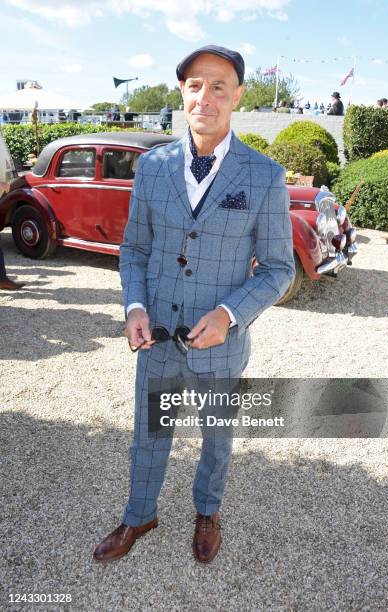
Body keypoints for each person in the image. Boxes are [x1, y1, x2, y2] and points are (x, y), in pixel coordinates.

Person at [93, 44, 295, 565]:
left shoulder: (264, 175)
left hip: (219, 345)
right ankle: (140, 514)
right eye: (195, 85)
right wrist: (134, 307)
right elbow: (135, 250)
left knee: (216, 436)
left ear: (237, 96)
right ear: (183, 93)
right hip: (157, 335)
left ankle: (208, 511)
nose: (206, 95)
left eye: (219, 85)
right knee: (149, 432)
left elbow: (279, 269)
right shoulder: (153, 167)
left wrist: (230, 315)